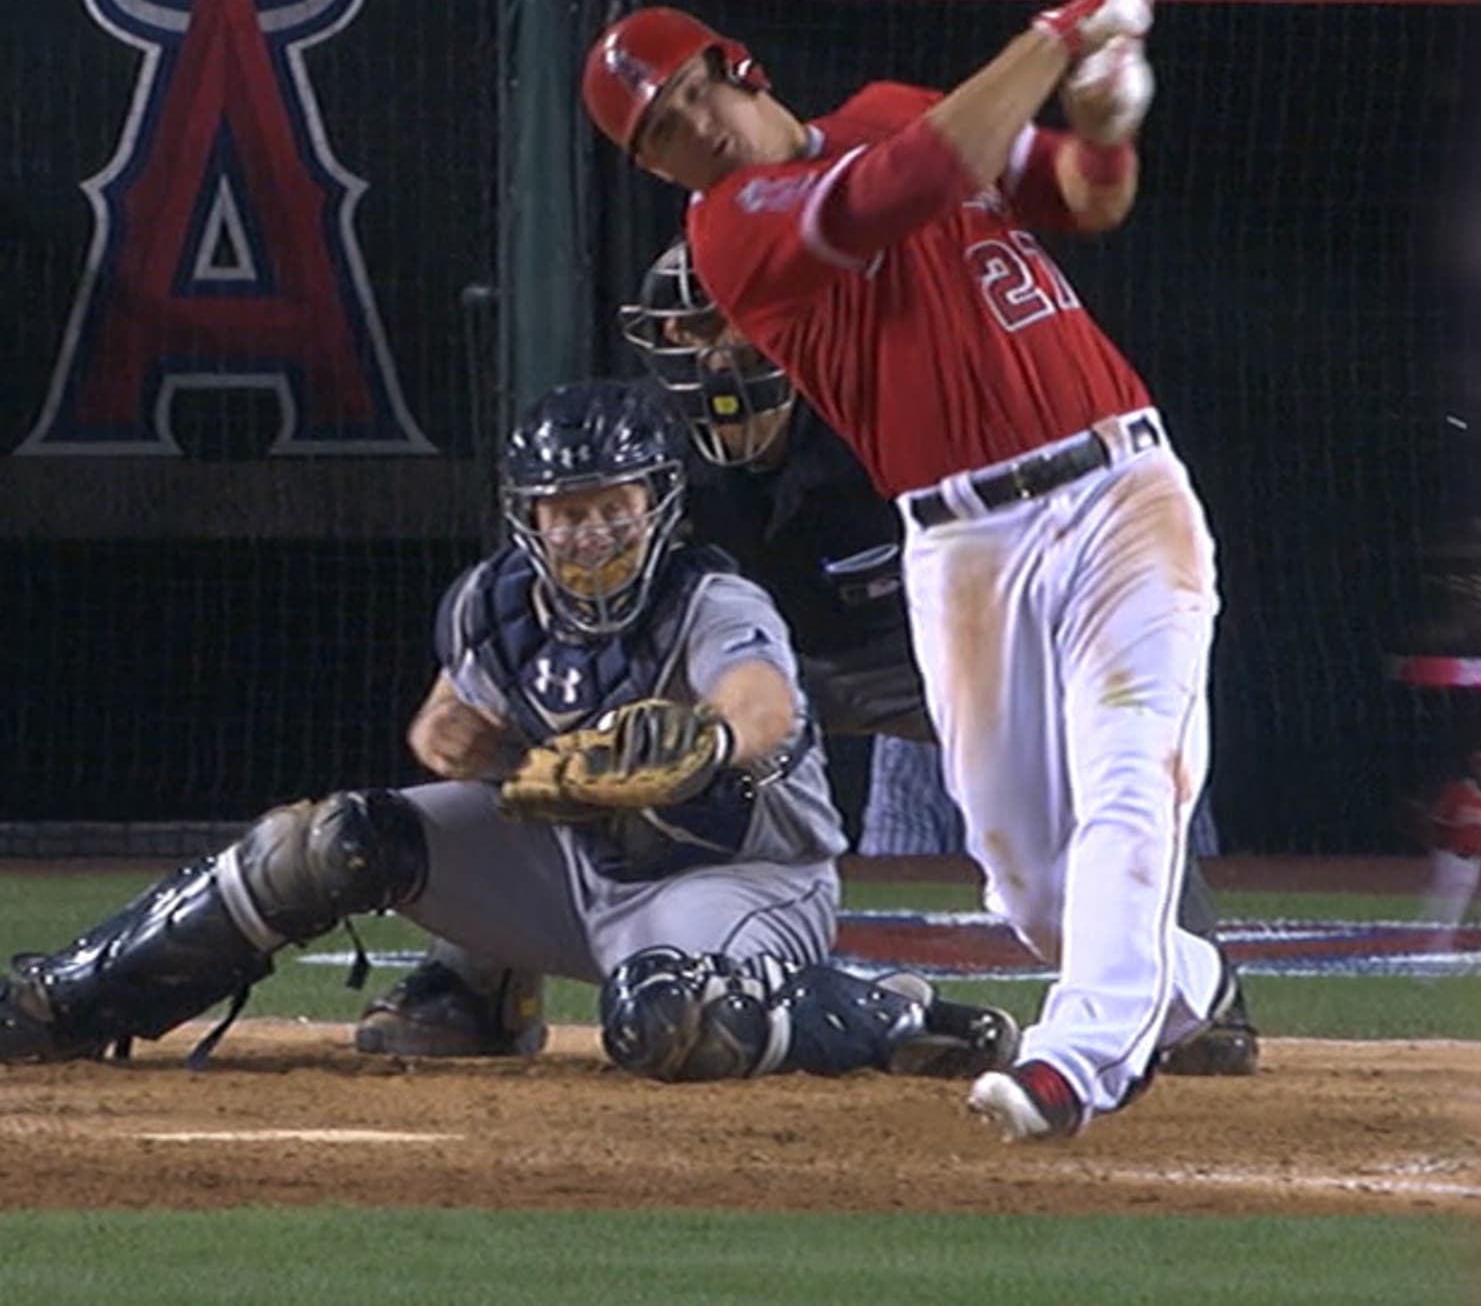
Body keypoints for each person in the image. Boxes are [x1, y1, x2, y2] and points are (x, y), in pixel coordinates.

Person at [579, 0, 1227, 1143]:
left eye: (688, 97)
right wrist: (1060, 36)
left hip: (1119, 486)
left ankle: (1076, 1061)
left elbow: (1083, 197)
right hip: (963, 542)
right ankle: (1182, 984)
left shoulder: (890, 106)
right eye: (661, 134)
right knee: (1027, 882)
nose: (694, 134)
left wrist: (1108, 117)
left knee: (1131, 772)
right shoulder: (731, 231)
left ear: (739, 65)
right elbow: (908, 183)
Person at [0, 381, 1017, 1085]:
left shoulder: (710, 595)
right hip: (575, 869)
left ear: (656, 504)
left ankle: (887, 1012)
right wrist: (512, 765)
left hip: (736, 879)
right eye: (562, 512)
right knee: (336, 838)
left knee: (665, 1025)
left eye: (606, 507)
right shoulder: (496, 605)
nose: (586, 534)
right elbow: (447, 732)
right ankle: (73, 999)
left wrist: (691, 747)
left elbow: (765, 706)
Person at [1423, 745, 1481, 935]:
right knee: (1435, 910)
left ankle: (1439, 954)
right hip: (1450, 857)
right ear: (1478, 768)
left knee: (1454, 914)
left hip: (1473, 864)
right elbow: (1436, 823)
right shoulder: (1459, 791)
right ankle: (1416, 952)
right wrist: (1437, 855)